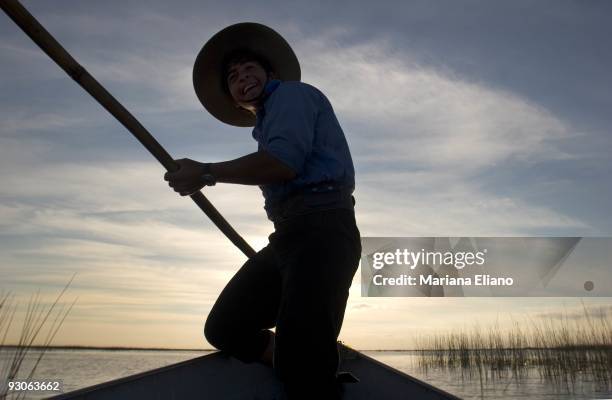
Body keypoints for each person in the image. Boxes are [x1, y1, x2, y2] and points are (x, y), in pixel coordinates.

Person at [164, 23, 361, 400]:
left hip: (323, 231)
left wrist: (206, 172)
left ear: (271, 74)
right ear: (236, 101)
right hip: (287, 237)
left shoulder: (292, 95)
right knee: (225, 328)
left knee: (304, 368)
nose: (242, 78)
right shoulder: (266, 126)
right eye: (233, 77)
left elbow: (283, 164)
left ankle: (309, 370)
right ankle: (302, 362)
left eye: (249, 69)